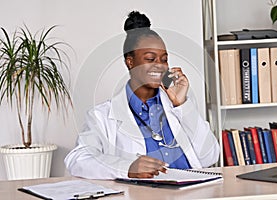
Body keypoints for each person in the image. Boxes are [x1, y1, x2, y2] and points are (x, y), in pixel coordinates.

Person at [64, 11, 220, 179]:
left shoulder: (177, 106)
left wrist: (182, 105)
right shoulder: (102, 115)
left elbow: (210, 156)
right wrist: (127, 168)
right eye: (150, 59)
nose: (160, 66)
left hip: (193, 192)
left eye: (164, 59)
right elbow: (77, 159)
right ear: (130, 62)